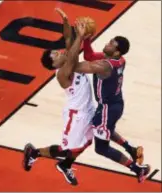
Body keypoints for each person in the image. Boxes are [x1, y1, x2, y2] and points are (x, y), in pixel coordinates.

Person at [67, 18, 151, 183]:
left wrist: (78, 40)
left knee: (101, 147)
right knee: (104, 129)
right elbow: (90, 55)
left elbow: (75, 66)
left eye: (111, 44)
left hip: (107, 108)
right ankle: (131, 150)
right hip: (115, 105)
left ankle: (138, 169)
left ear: (117, 51)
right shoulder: (119, 60)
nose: (107, 44)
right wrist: (87, 40)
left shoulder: (105, 67)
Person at [22, 8, 95, 186]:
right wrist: (82, 36)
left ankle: (65, 165)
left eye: (57, 51)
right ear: (53, 64)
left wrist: (65, 21)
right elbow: (72, 50)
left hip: (88, 108)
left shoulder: (68, 58)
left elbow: (68, 39)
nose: (59, 52)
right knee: (66, 149)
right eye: (55, 55)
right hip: (75, 115)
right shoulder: (62, 73)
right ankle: (34, 153)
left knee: (87, 142)